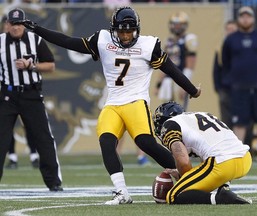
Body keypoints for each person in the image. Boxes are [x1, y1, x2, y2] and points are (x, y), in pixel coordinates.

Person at [18, 6, 201, 204]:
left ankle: (191, 179)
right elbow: (69, 42)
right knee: (106, 143)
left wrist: (192, 90)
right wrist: (38, 29)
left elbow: (171, 69)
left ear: (137, 29)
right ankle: (122, 192)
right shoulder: (103, 39)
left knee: (146, 143)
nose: (125, 35)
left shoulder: (149, 45)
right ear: (114, 29)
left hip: (135, 101)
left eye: (129, 31)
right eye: (121, 31)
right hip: (113, 103)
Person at [0, 8, 63, 191]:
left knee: (43, 138)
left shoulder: (35, 40)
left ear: (24, 24)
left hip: (31, 94)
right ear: (8, 24)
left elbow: (50, 65)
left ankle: (54, 182)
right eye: (13, 23)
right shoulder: (1, 42)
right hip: (7, 96)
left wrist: (31, 65)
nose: (16, 27)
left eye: (19, 24)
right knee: (1, 139)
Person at [153, 101, 252, 205]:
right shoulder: (202, 115)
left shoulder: (169, 125)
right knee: (210, 162)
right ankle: (224, 187)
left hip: (223, 164)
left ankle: (220, 198)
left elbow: (184, 161)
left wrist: (184, 179)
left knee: (173, 196)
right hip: (245, 160)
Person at [222, 6, 257, 161]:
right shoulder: (231, 39)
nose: (245, 19)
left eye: (248, 16)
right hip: (239, 86)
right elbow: (226, 62)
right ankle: (239, 153)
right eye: (242, 16)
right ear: (238, 18)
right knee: (240, 121)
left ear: (253, 18)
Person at [155, 11, 197, 110]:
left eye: (179, 24)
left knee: (181, 110)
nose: (176, 27)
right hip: (167, 79)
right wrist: (158, 84)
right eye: (174, 24)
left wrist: (185, 85)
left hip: (180, 78)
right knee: (165, 111)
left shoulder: (189, 39)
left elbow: (190, 64)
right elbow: (162, 63)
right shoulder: (168, 40)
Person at [213, 20, 238, 129]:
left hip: (240, 88)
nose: (230, 32)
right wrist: (218, 88)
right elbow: (216, 69)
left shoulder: (241, 47)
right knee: (226, 119)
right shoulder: (220, 48)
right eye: (228, 30)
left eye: (233, 30)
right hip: (225, 88)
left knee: (242, 119)